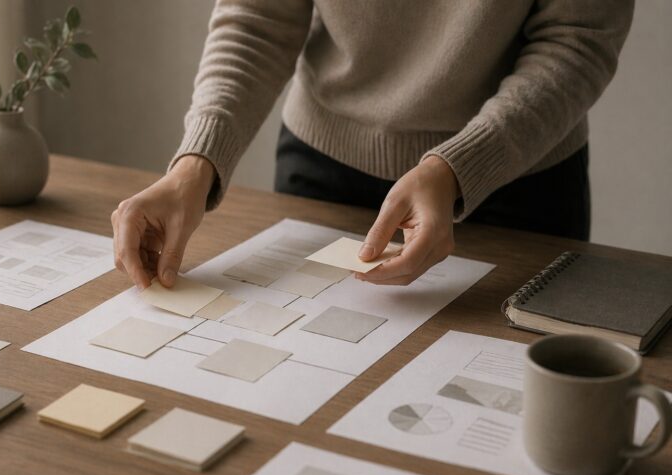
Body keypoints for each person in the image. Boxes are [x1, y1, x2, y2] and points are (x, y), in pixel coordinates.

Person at [112, 1, 634, 290]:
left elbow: (578, 39)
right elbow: (257, 18)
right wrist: (193, 164)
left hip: (515, 179)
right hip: (325, 167)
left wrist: (459, 167)